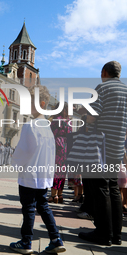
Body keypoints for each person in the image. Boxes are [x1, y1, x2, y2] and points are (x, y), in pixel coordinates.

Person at [10, 85, 66, 254]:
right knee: (43, 206)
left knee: (28, 207)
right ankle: (56, 238)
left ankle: (26, 242)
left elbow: (24, 151)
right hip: (43, 175)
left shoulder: (30, 126)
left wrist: (15, 164)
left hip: (29, 174)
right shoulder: (47, 128)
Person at [78, 61, 127, 246]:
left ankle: (103, 233)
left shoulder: (103, 88)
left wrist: (83, 117)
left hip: (100, 146)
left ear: (104, 72)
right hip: (116, 146)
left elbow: (93, 114)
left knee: (100, 187)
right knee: (113, 187)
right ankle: (116, 235)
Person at [48, 103, 72, 204]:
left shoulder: (55, 120)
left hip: (56, 145)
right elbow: (70, 135)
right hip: (66, 146)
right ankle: (60, 194)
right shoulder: (69, 121)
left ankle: (53, 195)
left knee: (55, 171)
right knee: (62, 172)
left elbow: (51, 134)